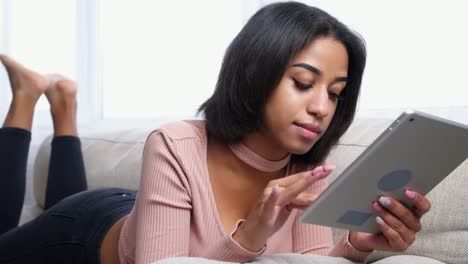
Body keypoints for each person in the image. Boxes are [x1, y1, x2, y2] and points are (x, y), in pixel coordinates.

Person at [0, 2, 432, 264]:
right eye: (303, 83)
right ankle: (24, 98)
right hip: (82, 236)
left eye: (335, 93)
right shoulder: (175, 143)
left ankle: (64, 106)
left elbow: (307, 263)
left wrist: (356, 245)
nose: (321, 107)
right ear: (256, 73)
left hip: (142, 215)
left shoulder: (305, 171)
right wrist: (251, 236)